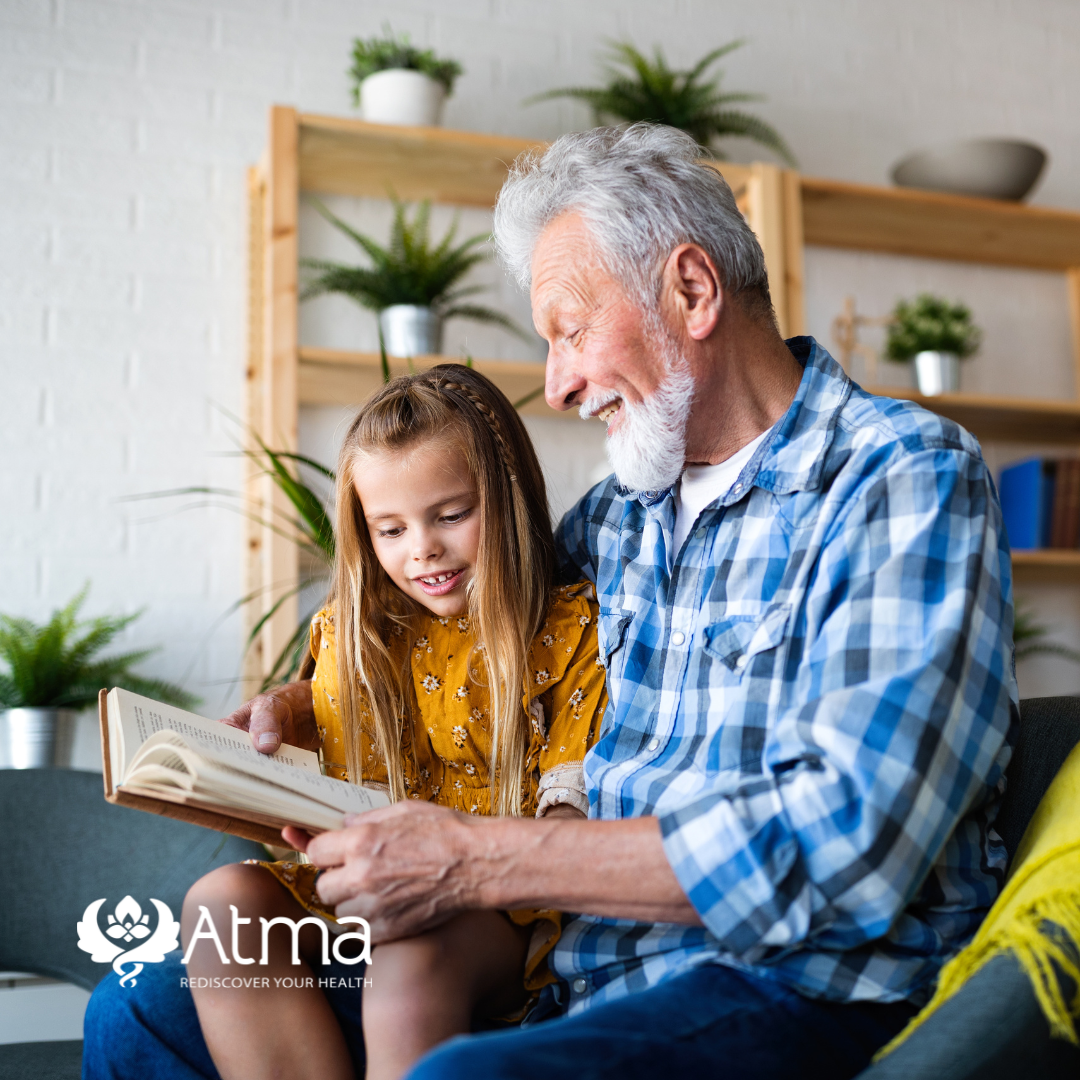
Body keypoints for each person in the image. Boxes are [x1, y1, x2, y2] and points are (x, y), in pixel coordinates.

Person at [84, 124, 1016, 1080]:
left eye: (570, 330)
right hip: (576, 976)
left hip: (787, 985)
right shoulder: (617, 519)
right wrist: (297, 701)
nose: (558, 382)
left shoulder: (897, 477)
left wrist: (477, 859)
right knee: (141, 1011)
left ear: (691, 291)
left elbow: (854, 843)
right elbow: (438, 621)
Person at [178, 365, 607, 1080]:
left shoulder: (568, 632)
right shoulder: (355, 633)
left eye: (451, 514)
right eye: (391, 528)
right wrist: (263, 771)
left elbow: (565, 823)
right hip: (361, 885)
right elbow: (325, 729)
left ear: (505, 498)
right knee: (221, 904)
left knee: (408, 953)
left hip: (490, 909)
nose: (423, 549)